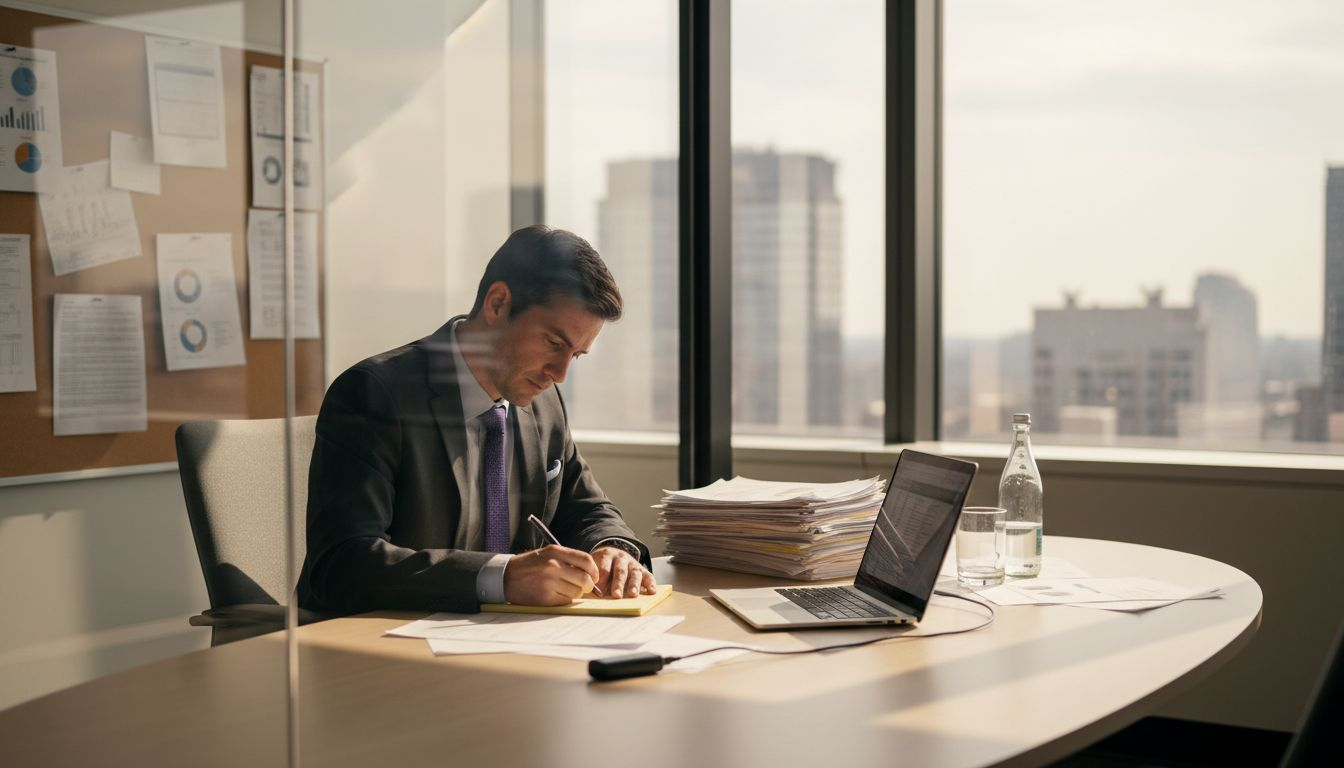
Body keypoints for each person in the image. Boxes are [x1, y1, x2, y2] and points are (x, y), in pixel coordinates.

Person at [298, 225, 656, 614]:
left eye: (576, 355)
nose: (560, 374)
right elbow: (341, 565)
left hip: (503, 640)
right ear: (498, 303)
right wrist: (501, 577)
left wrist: (612, 548)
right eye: (554, 343)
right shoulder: (374, 395)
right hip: (377, 638)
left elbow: (586, 507)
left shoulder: (544, 402)